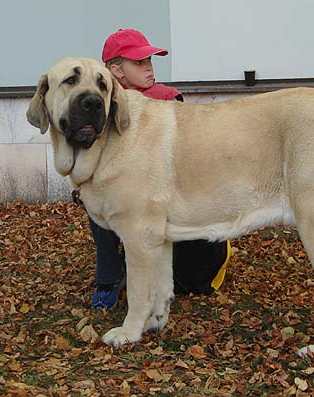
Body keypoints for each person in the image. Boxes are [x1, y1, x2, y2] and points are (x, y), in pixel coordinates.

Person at [90, 29, 231, 309]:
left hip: (169, 190)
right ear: (116, 70)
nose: (149, 68)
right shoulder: (100, 106)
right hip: (123, 192)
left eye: (150, 61)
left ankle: (155, 277)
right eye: (139, 63)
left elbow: (187, 149)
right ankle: (108, 279)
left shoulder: (167, 97)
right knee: (99, 203)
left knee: (191, 272)